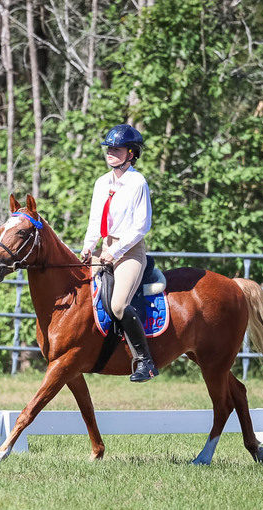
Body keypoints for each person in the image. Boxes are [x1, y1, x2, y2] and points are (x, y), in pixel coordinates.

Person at [81, 124, 159, 382]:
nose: (110, 152)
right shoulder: (101, 182)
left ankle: (145, 362)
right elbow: (95, 221)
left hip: (129, 252)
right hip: (104, 248)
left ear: (132, 153)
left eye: (117, 149)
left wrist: (115, 252)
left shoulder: (138, 183)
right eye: (109, 148)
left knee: (118, 304)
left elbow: (141, 227)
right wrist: (87, 246)